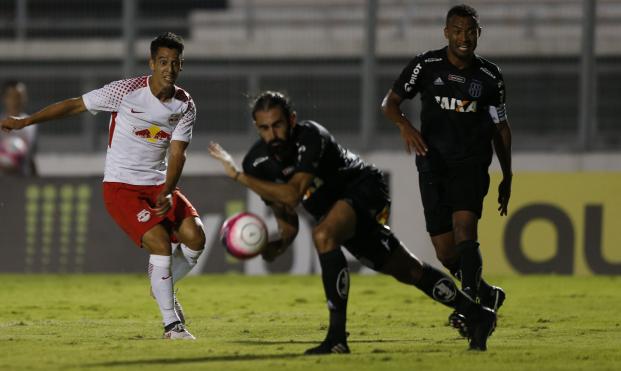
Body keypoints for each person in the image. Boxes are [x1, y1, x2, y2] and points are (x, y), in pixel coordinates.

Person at [208, 90, 497, 353]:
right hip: (334, 211)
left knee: (323, 235)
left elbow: (294, 193)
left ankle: (336, 338)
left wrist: (238, 177)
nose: (273, 134)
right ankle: (477, 315)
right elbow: (287, 217)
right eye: (264, 128)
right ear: (257, 128)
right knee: (408, 271)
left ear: (291, 120)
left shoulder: (311, 136)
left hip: (364, 188)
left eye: (278, 124)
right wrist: (274, 246)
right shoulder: (256, 163)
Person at [0, 32, 206, 340]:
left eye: (175, 63)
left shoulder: (185, 104)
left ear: (182, 65)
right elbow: (74, 106)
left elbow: (178, 153)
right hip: (122, 187)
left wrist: (167, 189)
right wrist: (25, 122)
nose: (169, 68)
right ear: (151, 63)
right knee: (161, 245)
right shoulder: (125, 91)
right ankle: (172, 325)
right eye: (163, 61)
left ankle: (163, 284)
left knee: (196, 239)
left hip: (158, 185)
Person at [381, 4, 512, 315]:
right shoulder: (426, 65)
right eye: (457, 31)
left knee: (465, 229)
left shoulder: (490, 76)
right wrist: (405, 126)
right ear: (446, 33)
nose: (463, 37)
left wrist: (508, 175)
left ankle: (469, 309)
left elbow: (501, 128)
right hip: (431, 163)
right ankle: (484, 294)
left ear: (478, 34)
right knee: (445, 252)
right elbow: (389, 102)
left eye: (470, 31)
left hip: (471, 163)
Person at [0, 80, 37, 176]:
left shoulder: (32, 124)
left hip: (22, 180)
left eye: (19, 97)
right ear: (4, 98)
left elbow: (31, 157)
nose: (16, 101)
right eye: (12, 97)